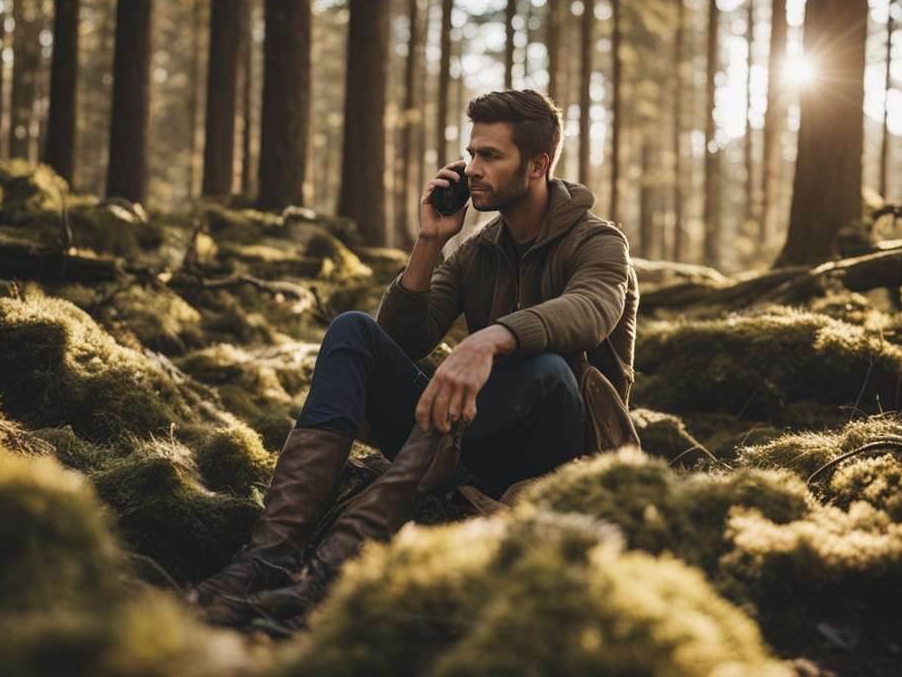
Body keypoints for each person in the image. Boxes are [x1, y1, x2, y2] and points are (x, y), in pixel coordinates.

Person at [190, 89, 640, 629]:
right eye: (471, 153)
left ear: (539, 164)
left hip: (558, 448)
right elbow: (400, 343)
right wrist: (429, 242)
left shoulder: (598, 242)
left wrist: (489, 339)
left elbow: (592, 310)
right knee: (352, 331)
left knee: (544, 368)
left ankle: (331, 574)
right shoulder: (477, 250)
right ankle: (267, 558)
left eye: (490, 156)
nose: (472, 169)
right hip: (473, 437)